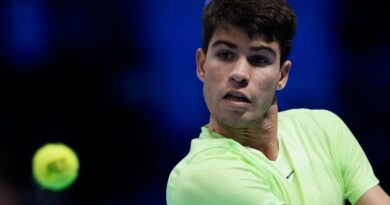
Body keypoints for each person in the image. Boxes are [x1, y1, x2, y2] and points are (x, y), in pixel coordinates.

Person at [166, 0, 390, 204]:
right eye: (225, 55)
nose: (239, 74)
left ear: (282, 75)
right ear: (201, 65)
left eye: (259, 59)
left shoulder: (323, 129)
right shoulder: (199, 176)